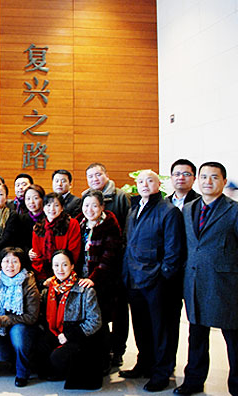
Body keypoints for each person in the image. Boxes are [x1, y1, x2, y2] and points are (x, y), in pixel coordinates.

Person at [175, 161, 238, 396]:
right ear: (197, 180)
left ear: (224, 181)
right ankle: (193, 381)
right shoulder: (188, 209)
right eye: (203, 177)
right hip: (194, 282)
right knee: (197, 336)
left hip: (226, 284)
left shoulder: (234, 210)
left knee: (233, 339)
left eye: (214, 177)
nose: (208, 181)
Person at [120, 170, 185, 392]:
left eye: (150, 180)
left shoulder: (168, 211)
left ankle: (161, 372)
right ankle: (144, 364)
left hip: (157, 281)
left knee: (161, 330)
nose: (144, 184)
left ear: (159, 185)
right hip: (134, 279)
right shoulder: (134, 209)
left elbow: (173, 250)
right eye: (140, 181)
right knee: (141, 327)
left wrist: (163, 275)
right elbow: (129, 243)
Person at [35, 249, 102, 390]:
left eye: (65, 265)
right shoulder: (49, 289)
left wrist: (69, 335)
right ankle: (57, 370)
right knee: (38, 348)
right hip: (55, 331)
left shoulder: (85, 289)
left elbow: (95, 321)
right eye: (56, 265)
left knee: (58, 357)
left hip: (79, 336)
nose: (60, 269)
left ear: (72, 266)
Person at [84, 162, 131, 365]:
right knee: (98, 316)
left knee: (117, 313)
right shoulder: (81, 221)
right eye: (90, 176)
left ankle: (117, 351)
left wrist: (95, 276)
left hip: (110, 273)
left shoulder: (120, 198)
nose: (94, 179)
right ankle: (101, 354)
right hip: (88, 276)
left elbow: (120, 240)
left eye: (98, 174)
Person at [76, 189, 123, 370]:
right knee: (85, 320)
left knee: (100, 320)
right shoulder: (80, 223)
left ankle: (104, 360)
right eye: (86, 205)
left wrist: (93, 279)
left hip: (102, 281)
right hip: (82, 279)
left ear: (102, 206)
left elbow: (109, 256)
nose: (89, 209)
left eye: (94, 205)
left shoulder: (110, 225)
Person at [0, 247, 40, 387]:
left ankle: (22, 373)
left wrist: (5, 320)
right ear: (0, 263)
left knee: (18, 332)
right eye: (6, 261)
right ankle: (16, 359)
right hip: (3, 331)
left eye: (14, 261)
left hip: (24, 328)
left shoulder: (29, 282)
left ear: (21, 264)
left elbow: (32, 317)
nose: (10, 266)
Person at [30, 192, 81, 283]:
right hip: (44, 275)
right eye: (48, 205)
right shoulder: (38, 227)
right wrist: (43, 278)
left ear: (62, 208)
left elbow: (73, 252)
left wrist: (56, 277)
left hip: (65, 273)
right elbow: (36, 256)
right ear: (43, 208)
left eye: (56, 205)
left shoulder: (71, 224)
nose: (52, 209)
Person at [18, 184, 45, 251]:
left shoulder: (48, 218)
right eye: (28, 199)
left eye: (35, 198)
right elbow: (20, 242)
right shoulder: (21, 219)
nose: (31, 202)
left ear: (42, 199)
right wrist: (28, 251)